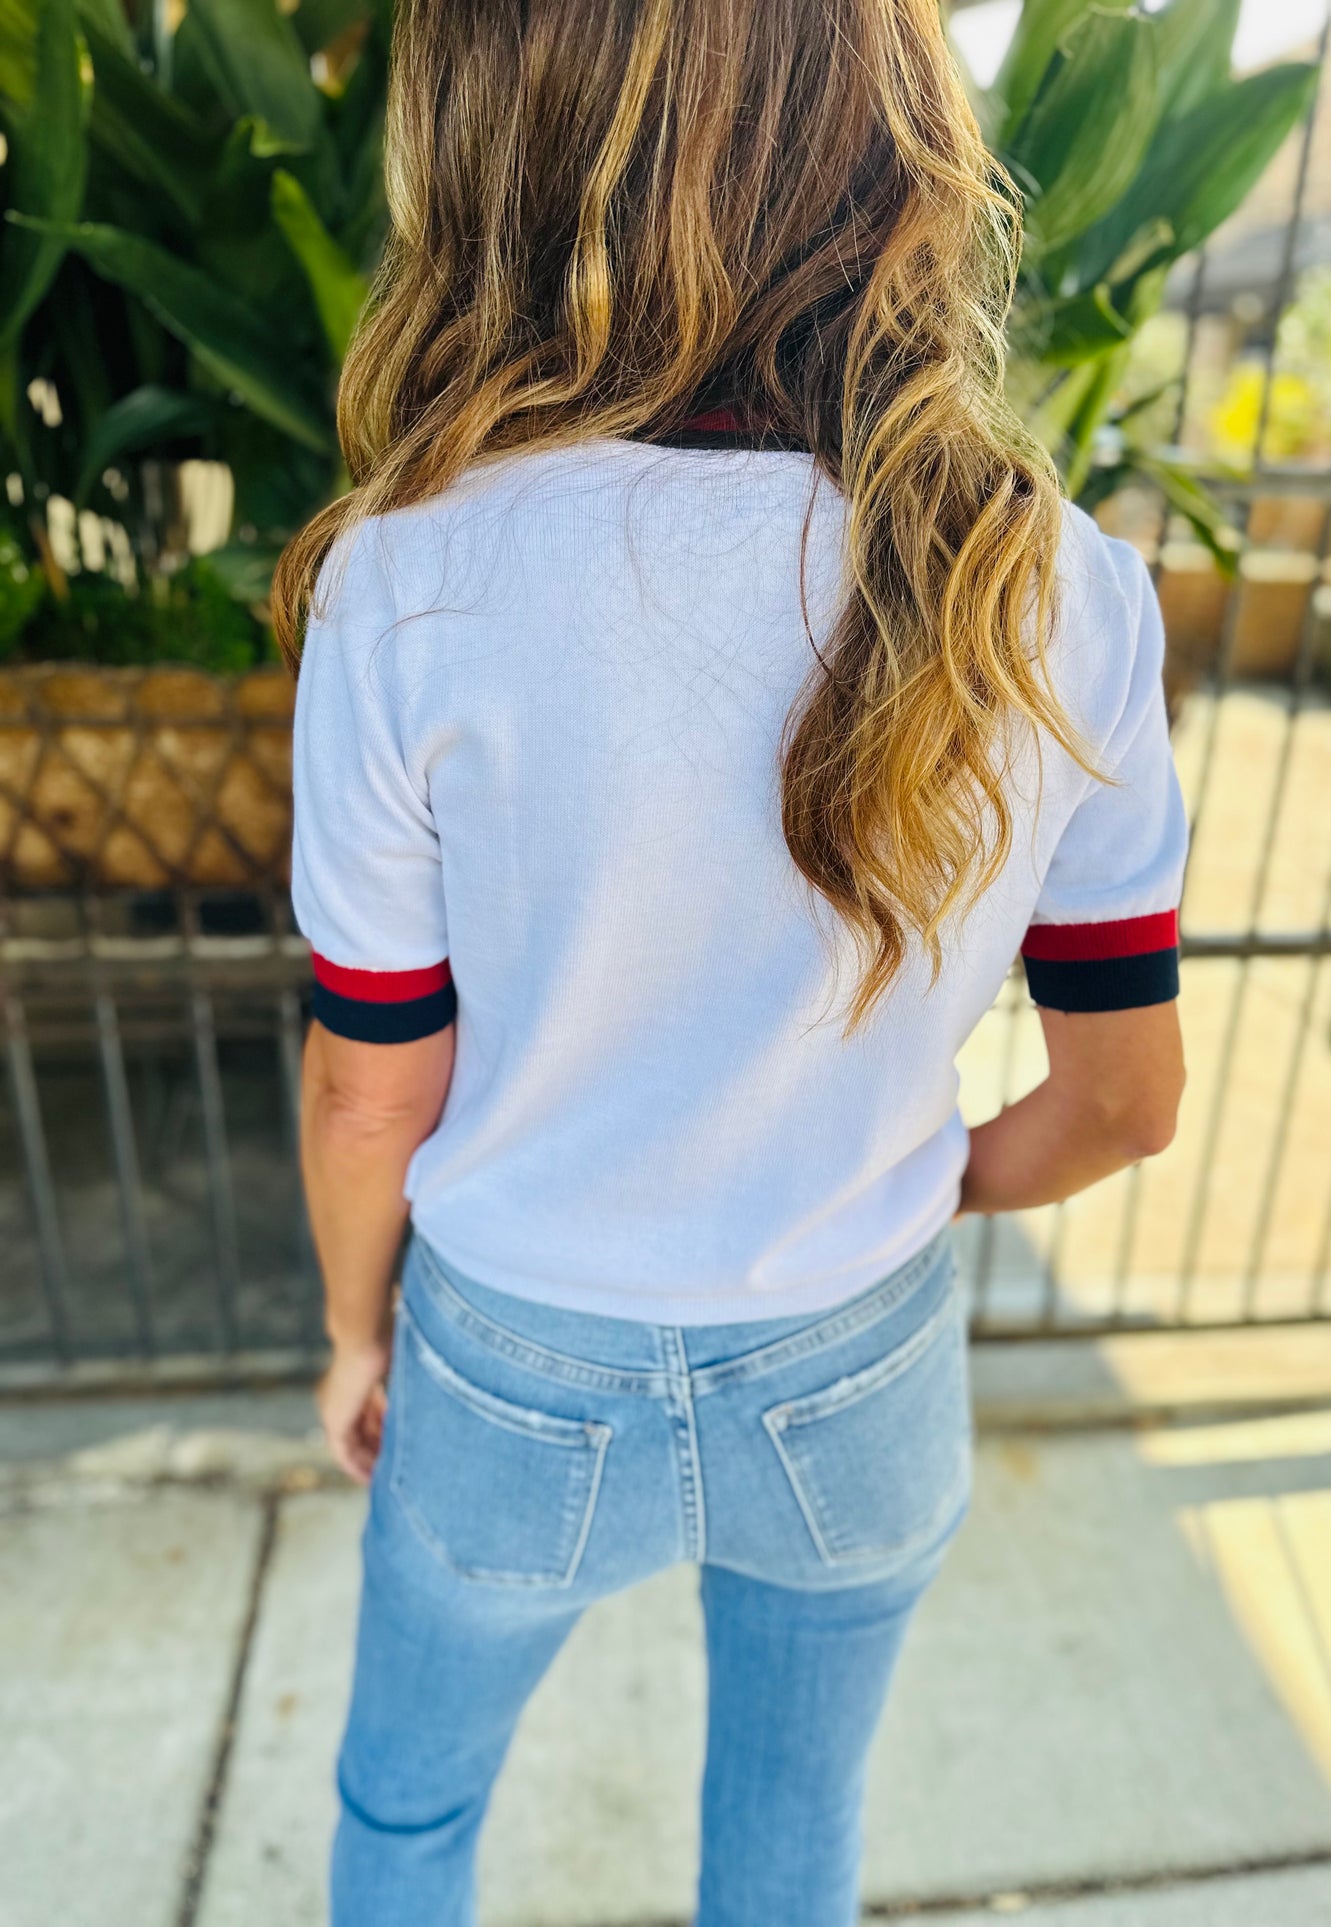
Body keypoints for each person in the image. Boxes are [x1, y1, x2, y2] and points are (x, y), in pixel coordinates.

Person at [274, 0, 1188, 1920]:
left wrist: (360, 1335)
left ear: (504, 153)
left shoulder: (407, 577)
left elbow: (369, 1087)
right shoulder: (1056, 587)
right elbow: (1124, 1103)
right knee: (792, 1833)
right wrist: (926, 1179)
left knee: (407, 1809)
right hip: (858, 1349)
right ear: (897, 149)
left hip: (511, 1360)